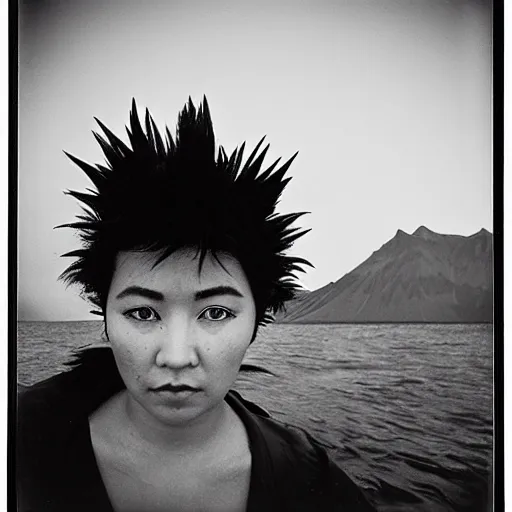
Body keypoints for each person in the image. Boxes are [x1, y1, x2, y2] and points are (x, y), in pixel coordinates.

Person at [17, 97, 377, 511]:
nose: (175, 357)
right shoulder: (19, 436)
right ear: (105, 315)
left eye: (215, 312)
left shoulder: (314, 486)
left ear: (257, 319)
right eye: (142, 313)